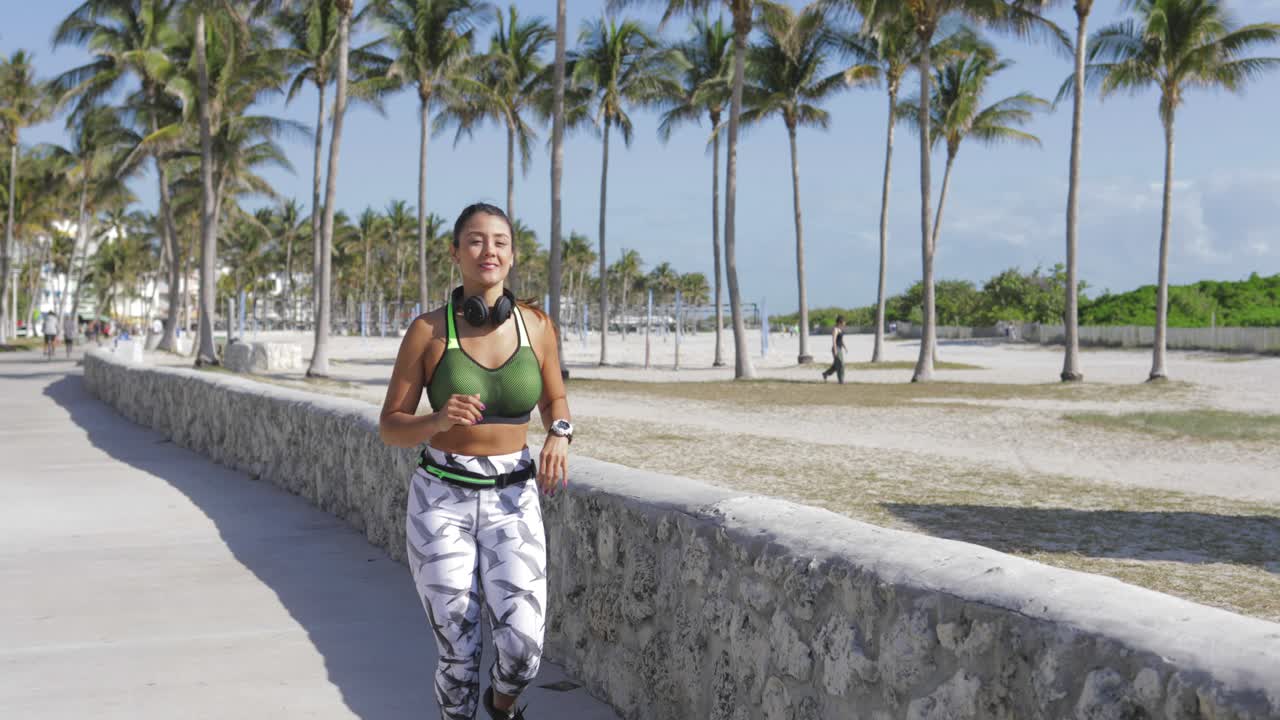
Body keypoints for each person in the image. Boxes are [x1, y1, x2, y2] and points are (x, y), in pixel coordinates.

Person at [379, 203, 571, 720]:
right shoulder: (427, 331)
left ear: (512, 256)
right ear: (456, 252)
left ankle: (503, 708)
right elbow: (391, 424)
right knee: (458, 653)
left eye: (500, 242)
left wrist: (559, 433)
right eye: (476, 241)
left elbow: (555, 401)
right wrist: (436, 421)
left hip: (514, 495)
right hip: (442, 498)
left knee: (524, 647)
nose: (489, 251)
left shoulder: (537, 327)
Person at [821, 315, 847, 384]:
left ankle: (825, 374)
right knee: (841, 364)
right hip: (836, 348)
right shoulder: (835, 329)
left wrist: (845, 347)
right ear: (840, 322)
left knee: (836, 365)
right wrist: (835, 350)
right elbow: (834, 340)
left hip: (840, 348)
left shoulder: (840, 329)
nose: (845, 323)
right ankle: (841, 380)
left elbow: (841, 340)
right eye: (844, 322)